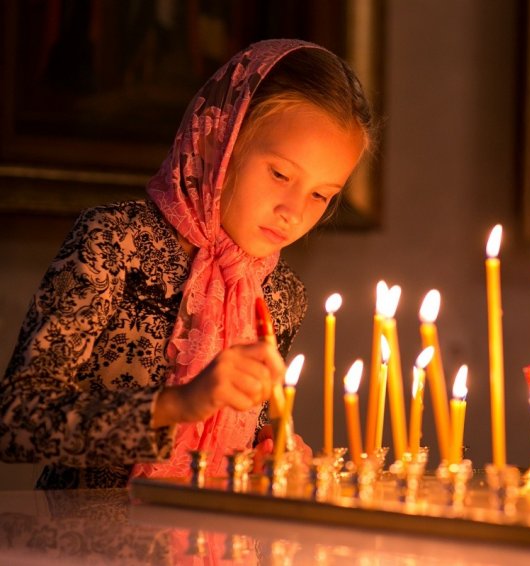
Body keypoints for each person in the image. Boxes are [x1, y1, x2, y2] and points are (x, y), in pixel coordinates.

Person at [0, 39, 375, 489]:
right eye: (280, 174)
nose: (293, 211)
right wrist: (177, 405)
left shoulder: (279, 292)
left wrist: (266, 451)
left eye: (321, 195)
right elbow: (15, 423)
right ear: (220, 141)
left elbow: (233, 433)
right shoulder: (117, 242)